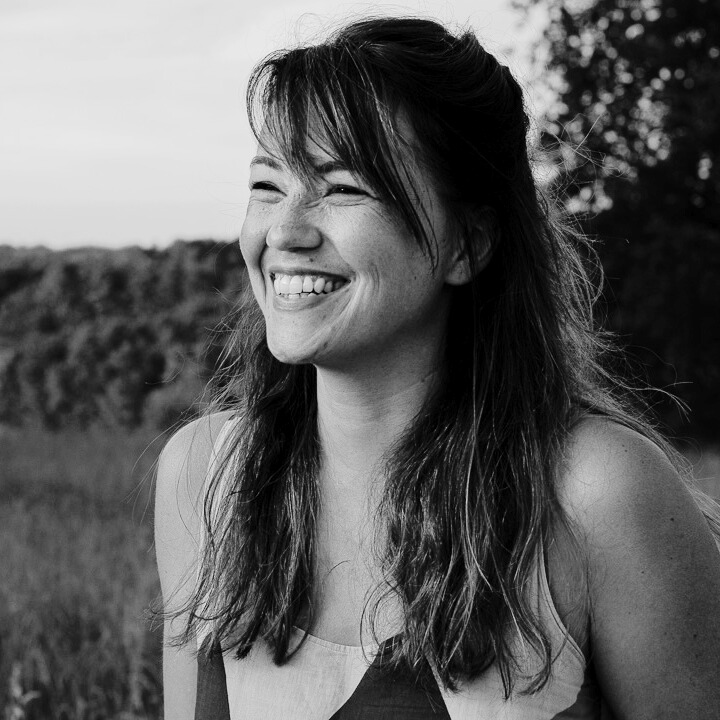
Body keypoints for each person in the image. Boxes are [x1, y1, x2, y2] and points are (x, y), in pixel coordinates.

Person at [154, 16, 720, 720]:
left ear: (467, 243)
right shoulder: (205, 475)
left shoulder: (596, 490)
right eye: (268, 186)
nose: (286, 232)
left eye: (345, 188)